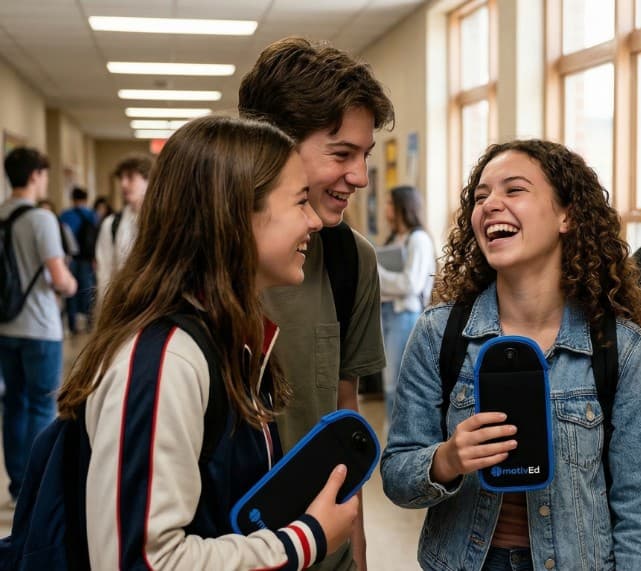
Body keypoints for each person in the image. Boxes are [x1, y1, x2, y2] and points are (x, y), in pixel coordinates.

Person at [56, 115, 360, 569]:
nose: (314, 220)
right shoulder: (165, 361)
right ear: (237, 216)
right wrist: (303, 540)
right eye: (299, 202)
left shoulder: (230, 343)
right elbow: (143, 560)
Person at [381, 140, 641, 571]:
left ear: (566, 215)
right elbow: (398, 475)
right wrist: (447, 460)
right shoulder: (440, 333)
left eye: (514, 190)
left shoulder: (620, 349)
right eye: (480, 197)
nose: (490, 204)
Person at [239, 36, 395, 571]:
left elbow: (343, 418)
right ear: (274, 146)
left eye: (365, 155)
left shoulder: (352, 261)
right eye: (342, 153)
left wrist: (357, 560)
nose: (361, 177)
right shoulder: (196, 259)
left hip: (321, 550)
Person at [0, 147, 77, 503]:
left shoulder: (2, 215)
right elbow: (60, 278)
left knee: (13, 404)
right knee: (42, 406)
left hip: (6, 326)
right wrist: (73, 286)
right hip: (41, 328)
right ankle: (36, 489)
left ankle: (17, 486)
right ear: (35, 175)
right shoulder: (41, 219)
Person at [377, 185, 435, 422]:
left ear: (403, 206)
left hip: (406, 316)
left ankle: (398, 440)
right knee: (388, 384)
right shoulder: (394, 238)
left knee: (397, 384)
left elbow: (411, 284)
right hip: (388, 312)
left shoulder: (418, 239)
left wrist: (378, 274)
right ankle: (392, 436)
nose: (385, 209)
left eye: (389, 203)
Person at [95, 153, 151, 303]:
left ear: (148, 180)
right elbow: (104, 274)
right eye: (121, 178)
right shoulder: (112, 224)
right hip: (121, 308)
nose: (123, 184)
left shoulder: (165, 222)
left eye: (131, 177)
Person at [60, 186, 98, 333]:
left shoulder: (65, 215)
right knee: (87, 288)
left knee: (71, 292)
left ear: (72, 199)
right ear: (86, 199)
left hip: (71, 258)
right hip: (87, 258)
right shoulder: (92, 215)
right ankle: (89, 321)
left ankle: (72, 323)